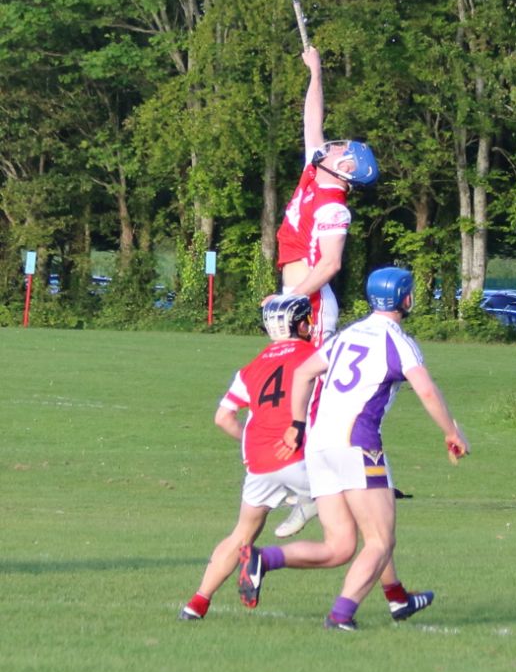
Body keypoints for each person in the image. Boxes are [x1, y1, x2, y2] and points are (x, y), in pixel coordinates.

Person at [237, 266, 469, 631]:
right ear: (405, 298)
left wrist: (297, 425)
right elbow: (425, 390)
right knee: (379, 540)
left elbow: (303, 374)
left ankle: (262, 559)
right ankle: (342, 615)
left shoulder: (346, 334)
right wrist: (450, 431)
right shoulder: (398, 341)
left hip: (318, 448)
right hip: (357, 445)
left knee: (340, 547)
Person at [268, 45, 379, 539]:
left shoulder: (335, 204)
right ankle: (306, 487)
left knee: (303, 398)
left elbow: (330, 264)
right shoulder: (318, 167)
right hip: (294, 295)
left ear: (346, 169)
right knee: (289, 395)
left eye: (339, 148)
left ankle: (313, 490)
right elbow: (312, 121)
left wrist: (290, 299)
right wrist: (316, 72)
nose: (330, 144)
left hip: (310, 302)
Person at [177, 296, 317, 621]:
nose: (310, 325)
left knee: (241, 534)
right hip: (297, 453)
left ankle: (197, 603)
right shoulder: (314, 355)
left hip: (259, 460)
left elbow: (223, 418)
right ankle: (390, 595)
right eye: (307, 319)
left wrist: (254, 439)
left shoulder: (252, 367)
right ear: (299, 325)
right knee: (363, 518)